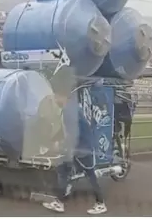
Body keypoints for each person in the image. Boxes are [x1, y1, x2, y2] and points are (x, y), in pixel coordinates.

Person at [42, 69, 107, 214]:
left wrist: (61, 145)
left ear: (63, 97)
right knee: (63, 171)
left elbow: (71, 133)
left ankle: (100, 203)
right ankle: (59, 201)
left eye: (56, 96)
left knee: (90, 175)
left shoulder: (69, 110)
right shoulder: (69, 108)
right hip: (78, 147)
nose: (55, 99)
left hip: (83, 148)